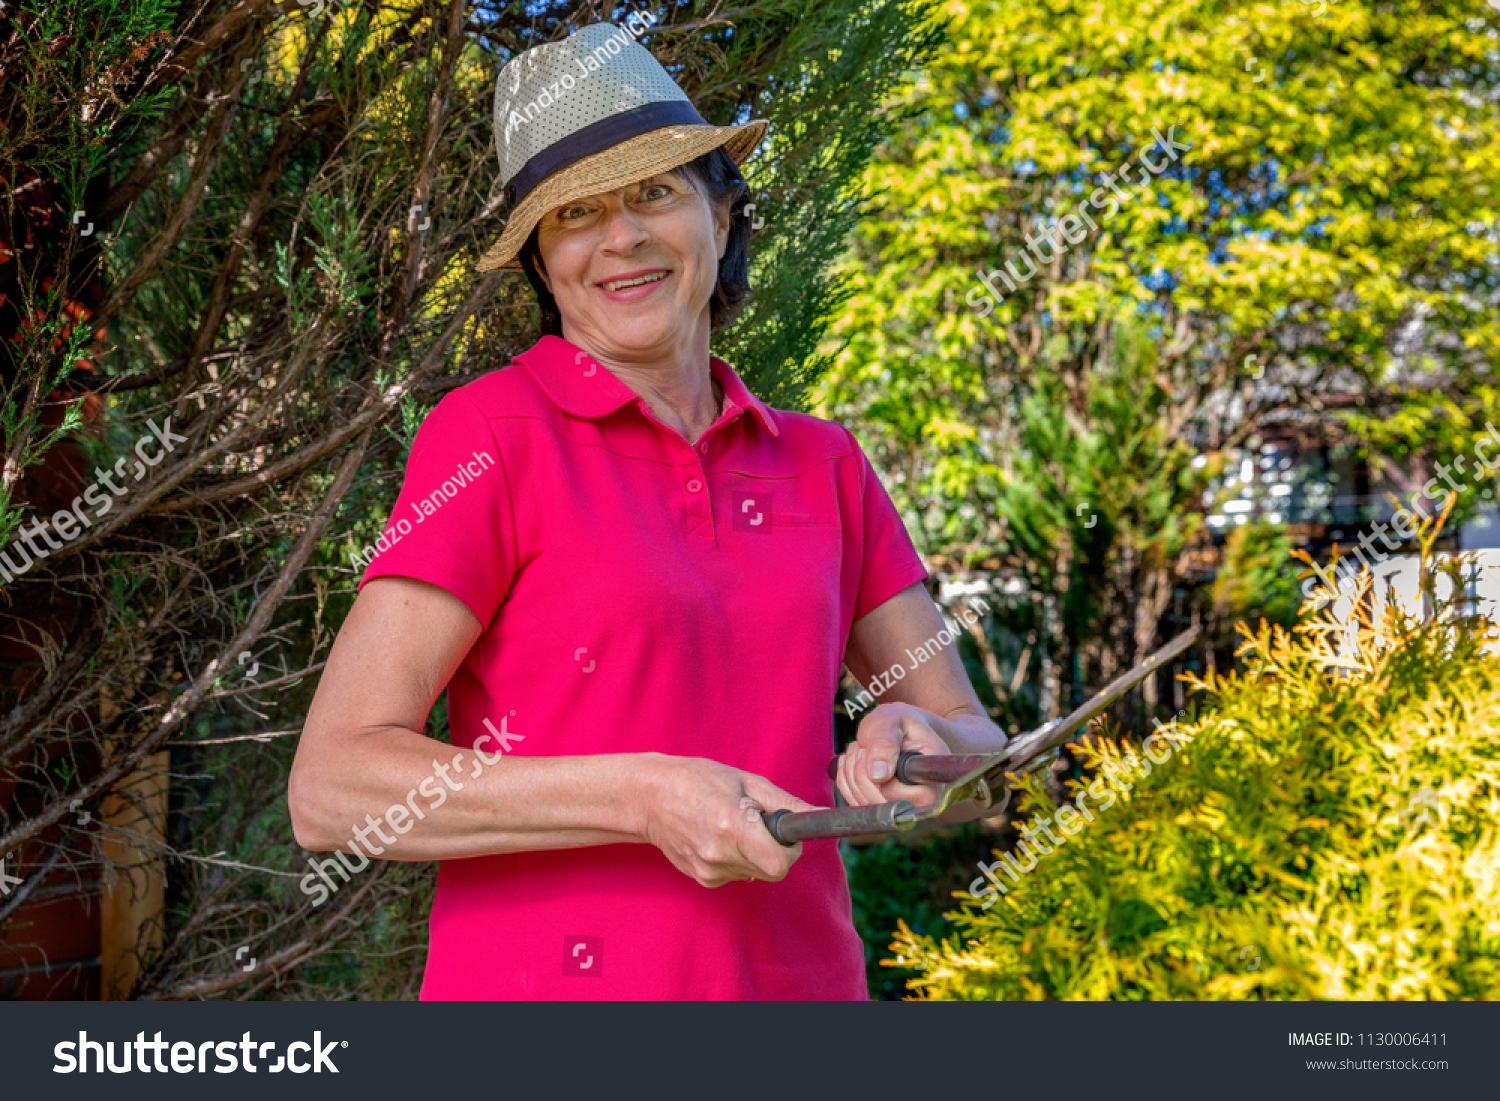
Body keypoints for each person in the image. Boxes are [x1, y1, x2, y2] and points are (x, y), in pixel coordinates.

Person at [288, 20, 1009, 1000]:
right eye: (575, 213)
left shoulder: (822, 464)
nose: (621, 236)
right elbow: (333, 790)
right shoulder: (493, 437)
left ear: (722, 213)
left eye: (654, 193)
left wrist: (920, 754)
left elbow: (971, 747)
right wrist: (642, 794)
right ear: (544, 262)